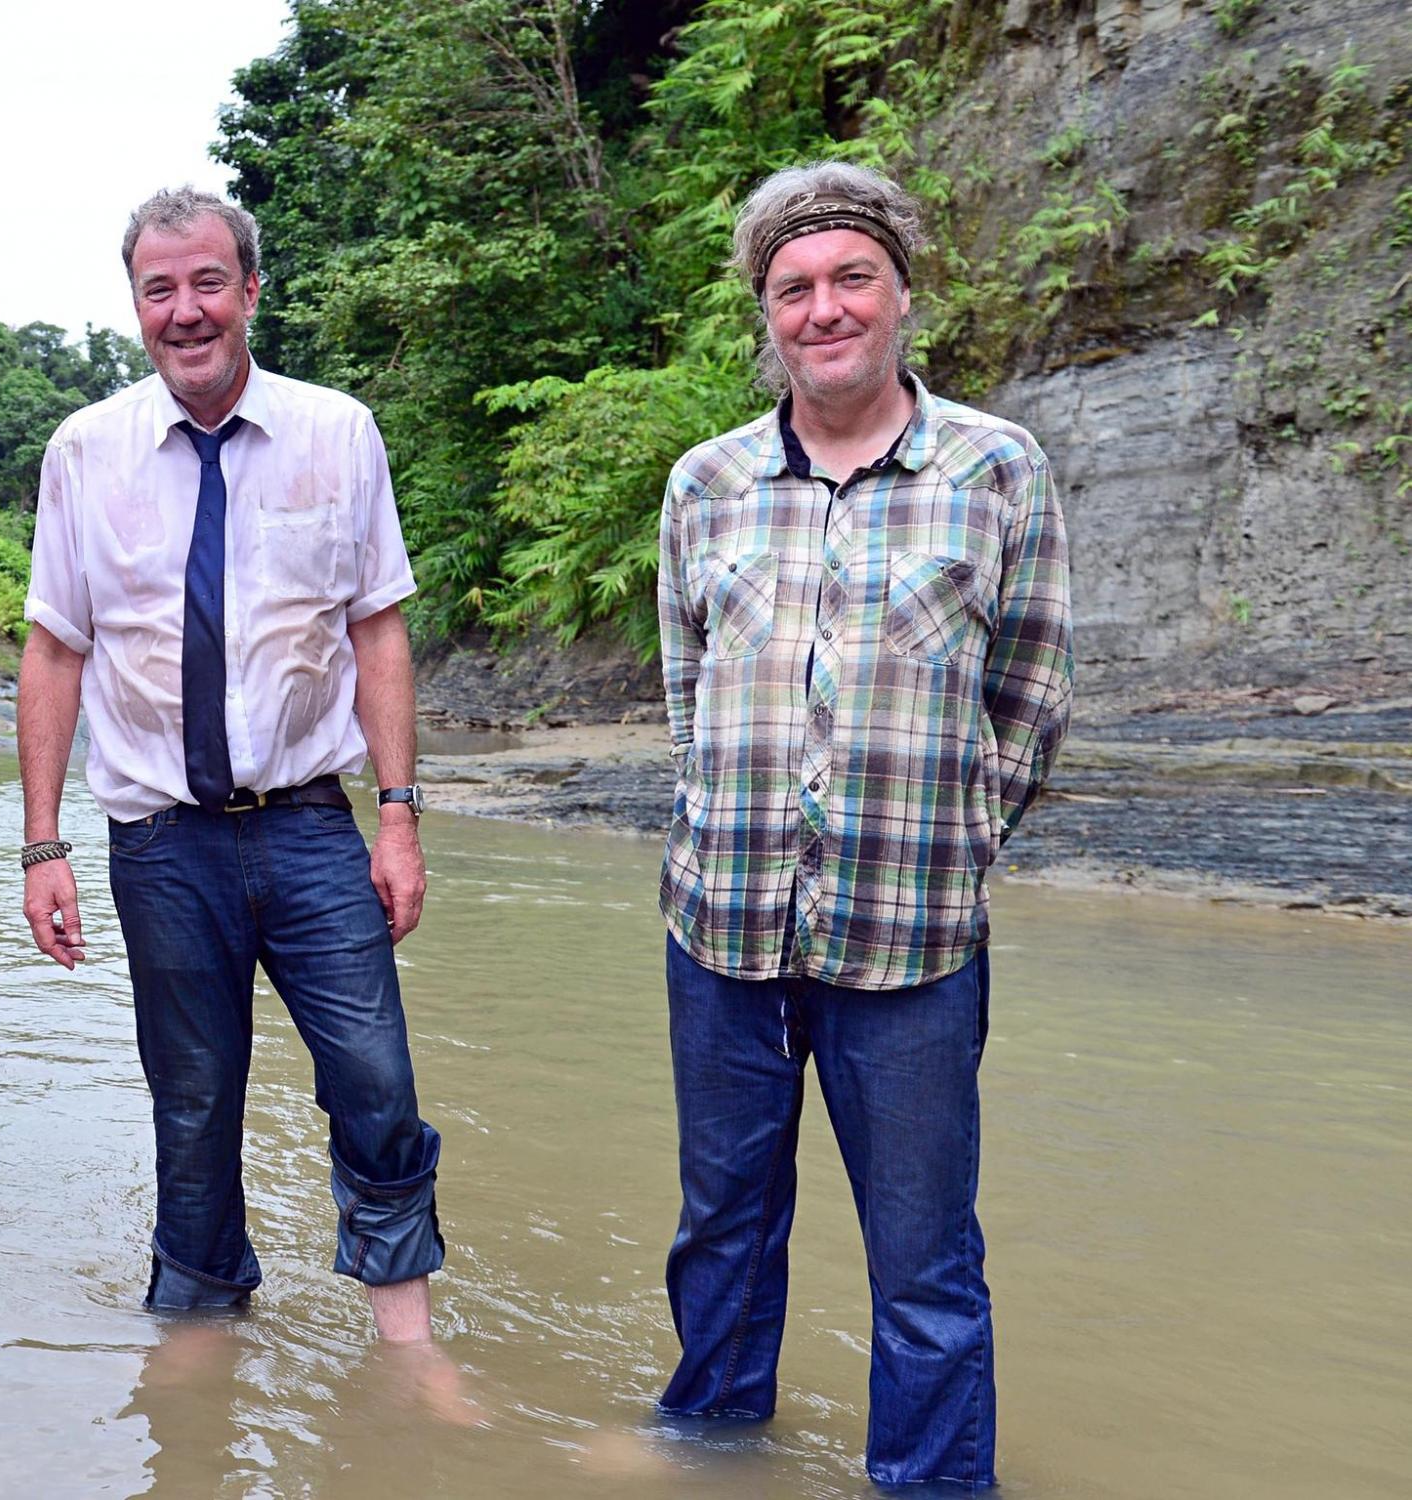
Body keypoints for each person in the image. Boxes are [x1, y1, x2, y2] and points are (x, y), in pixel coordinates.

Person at [652, 162, 1074, 1488]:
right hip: (721, 925)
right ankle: (712, 1446)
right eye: (793, 288)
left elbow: (1033, 696)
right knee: (721, 1225)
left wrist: (941, 845)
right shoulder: (706, 486)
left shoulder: (997, 470)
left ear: (901, 294)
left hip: (913, 944)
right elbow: (689, 691)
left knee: (926, 1257)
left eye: (850, 279)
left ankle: (933, 1481)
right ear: (764, 314)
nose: (822, 309)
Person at [16, 188, 444, 1343]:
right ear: (135, 308)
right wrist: (42, 843)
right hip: (159, 840)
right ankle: (198, 1322)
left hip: (310, 825)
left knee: (373, 1076)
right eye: (160, 290)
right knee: (192, 1100)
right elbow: (55, 649)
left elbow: (377, 631)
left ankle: (405, 1339)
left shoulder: (336, 431)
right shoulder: (85, 452)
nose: (186, 311)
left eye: (208, 283)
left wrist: (397, 818)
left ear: (251, 290)